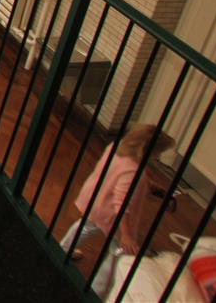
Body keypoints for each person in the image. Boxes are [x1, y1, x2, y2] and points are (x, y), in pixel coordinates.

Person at [60, 124, 176, 294]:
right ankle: (96, 289)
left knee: (84, 227)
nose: (157, 157)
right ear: (146, 151)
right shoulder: (133, 172)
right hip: (111, 215)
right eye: (157, 153)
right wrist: (127, 235)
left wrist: (147, 185)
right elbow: (121, 204)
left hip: (95, 200)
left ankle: (63, 249)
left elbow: (117, 175)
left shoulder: (115, 148)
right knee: (118, 252)